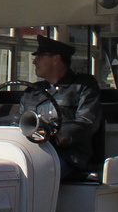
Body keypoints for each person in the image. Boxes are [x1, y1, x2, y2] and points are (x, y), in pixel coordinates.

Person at [16, 36, 103, 180]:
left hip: (68, 157)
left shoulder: (83, 86)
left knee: (35, 175)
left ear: (56, 59)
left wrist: (59, 134)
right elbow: (20, 121)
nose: (34, 61)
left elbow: (87, 121)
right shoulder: (32, 91)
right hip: (34, 153)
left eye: (39, 57)